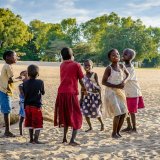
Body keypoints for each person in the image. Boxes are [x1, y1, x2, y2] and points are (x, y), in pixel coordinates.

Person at [54, 47, 87, 146]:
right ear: (72, 55)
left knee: (65, 115)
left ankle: (64, 138)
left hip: (61, 93)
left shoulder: (62, 65)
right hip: (71, 93)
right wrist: (84, 89)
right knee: (76, 116)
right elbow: (81, 80)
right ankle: (72, 140)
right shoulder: (76, 65)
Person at [102, 49, 129, 138]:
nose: (116, 56)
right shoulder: (109, 68)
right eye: (113, 55)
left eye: (117, 54)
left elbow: (128, 75)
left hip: (120, 92)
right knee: (117, 113)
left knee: (124, 112)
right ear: (110, 58)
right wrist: (117, 86)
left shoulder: (121, 66)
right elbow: (103, 82)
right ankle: (114, 133)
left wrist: (124, 82)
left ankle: (117, 132)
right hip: (111, 92)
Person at [121, 48, 145, 133]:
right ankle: (129, 126)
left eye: (125, 54)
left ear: (130, 57)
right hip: (126, 91)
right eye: (123, 53)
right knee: (126, 109)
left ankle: (134, 128)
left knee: (131, 111)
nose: (123, 55)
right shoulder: (124, 66)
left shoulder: (130, 68)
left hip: (132, 92)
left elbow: (125, 79)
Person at [0, 50, 21, 137]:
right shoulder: (8, 66)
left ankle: (7, 130)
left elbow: (8, 80)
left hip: (4, 90)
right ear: (8, 57)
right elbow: (11, 80)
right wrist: (21, 79)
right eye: (14, 56)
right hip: (5, 91)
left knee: (6, 110)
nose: (16, 58)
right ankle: (7, 131)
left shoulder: (7, 66)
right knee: (7, 111)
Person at [23, 65, 45, 144]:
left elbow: (24, 93)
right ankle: (36, 139)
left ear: (28, 73)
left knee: (30, 123)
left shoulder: (25, 83)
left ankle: (31, 139)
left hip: (27, 106)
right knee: (38, 123)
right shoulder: (40, 82)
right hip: (36, 106)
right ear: (38, 74)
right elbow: (43, 92)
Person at [80, 59, 104, 132]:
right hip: (86, 97)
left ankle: (102, 124)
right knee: (86, 112)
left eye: (89, 65)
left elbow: (98, 86)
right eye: (85, 65)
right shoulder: (83, 76)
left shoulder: (94, 74)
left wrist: (100, 97)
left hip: (95, 97)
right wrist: (81, 98)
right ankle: (90, 127)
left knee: (96, 111)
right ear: (83, 66)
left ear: (92, 66)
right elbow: (82, 88)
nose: (87, 66)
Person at [18, 70, 28, 136]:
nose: (26, 77)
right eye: (24, 75)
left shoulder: (30, 84)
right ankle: (21, 133)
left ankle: (22, 133)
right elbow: (23, 94)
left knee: (23, 117)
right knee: (22, 117)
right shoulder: (21, 85)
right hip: (24, 102)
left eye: (26, 75)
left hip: (26, 101)